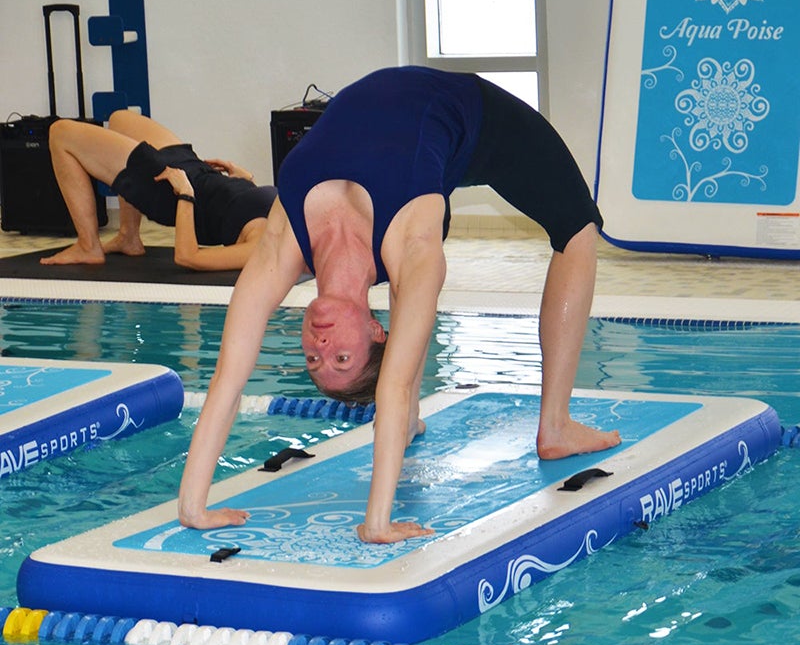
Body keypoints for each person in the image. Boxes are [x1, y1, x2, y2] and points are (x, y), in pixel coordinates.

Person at [177, 66, 621, 543]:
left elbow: (227, 378)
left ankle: (418, 422)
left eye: (314, 359)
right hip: (474, 116)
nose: (321, 347)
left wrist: (192, 507)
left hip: (405, 112)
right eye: (341, 358)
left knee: (411, 280)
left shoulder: (282, 244)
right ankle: (554, 426)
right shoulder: (413, 249)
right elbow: (396, 381)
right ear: (374, 330)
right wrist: (377, 523)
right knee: (577, 228)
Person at [42, 110, 277, 270]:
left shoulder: (261, 249)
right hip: (194, 169)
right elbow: (244, 211)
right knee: (120, 119)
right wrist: (247, 181)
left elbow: (188, 257)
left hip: (168, 190)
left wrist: (185, 194)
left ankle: (88, 246)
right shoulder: (289, 217)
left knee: (60, 133)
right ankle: (128, 237)